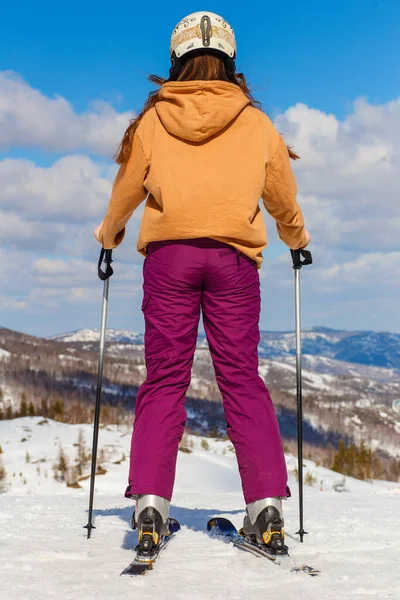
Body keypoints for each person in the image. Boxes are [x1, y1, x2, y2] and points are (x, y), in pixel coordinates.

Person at [94, 11, 310, 555]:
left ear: (176, 59)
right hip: (234, 262)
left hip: (170, 260)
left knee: (165, 380)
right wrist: (297, 238)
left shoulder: (152, 120)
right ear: (231, 61)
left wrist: (108, 236)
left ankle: (149, 506)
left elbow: (126, 192)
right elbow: (281, 194)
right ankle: (265, 509)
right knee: (241, 379)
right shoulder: (256, 124)